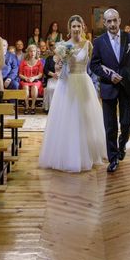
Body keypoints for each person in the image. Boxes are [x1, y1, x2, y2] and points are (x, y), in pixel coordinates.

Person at [39, 15, 107, 171]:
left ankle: (88, 153)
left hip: (83, 81)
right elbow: (57, 65)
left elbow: (93, 65)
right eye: (73, 26)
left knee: (85, 117)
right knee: (68, 118)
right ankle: (67, 154)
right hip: (67, 84)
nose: (76, 29)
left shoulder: (88, 44)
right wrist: (61, 62)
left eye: (79, 26)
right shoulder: (63, 45)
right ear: (69, 28)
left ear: (83, 27)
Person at [90, 8, 130, 172]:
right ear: (104, 23)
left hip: (127, 87)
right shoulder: (99, 41)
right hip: (108, 88)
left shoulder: (129, 38)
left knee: (127, 122)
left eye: (115, 20)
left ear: (120, 21)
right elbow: (94, 65)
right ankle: (113, 158)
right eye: (109, 21)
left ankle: (122, 146)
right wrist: (108, 76)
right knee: (110, 126)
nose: (112, 24)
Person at [19, 44, 43, 114]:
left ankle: (33, 106)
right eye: (31, 51)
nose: (32, 53)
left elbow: (40, 74)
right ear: (28, 52)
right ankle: (26, 106)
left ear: (36, 52)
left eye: (34, 51)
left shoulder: (39, 62)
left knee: (34, 87)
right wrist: (26, 78)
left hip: (36, 80)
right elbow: (20, 74)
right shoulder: (23, 62)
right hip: (25, 80)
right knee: (25, 87)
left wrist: (34, 78)